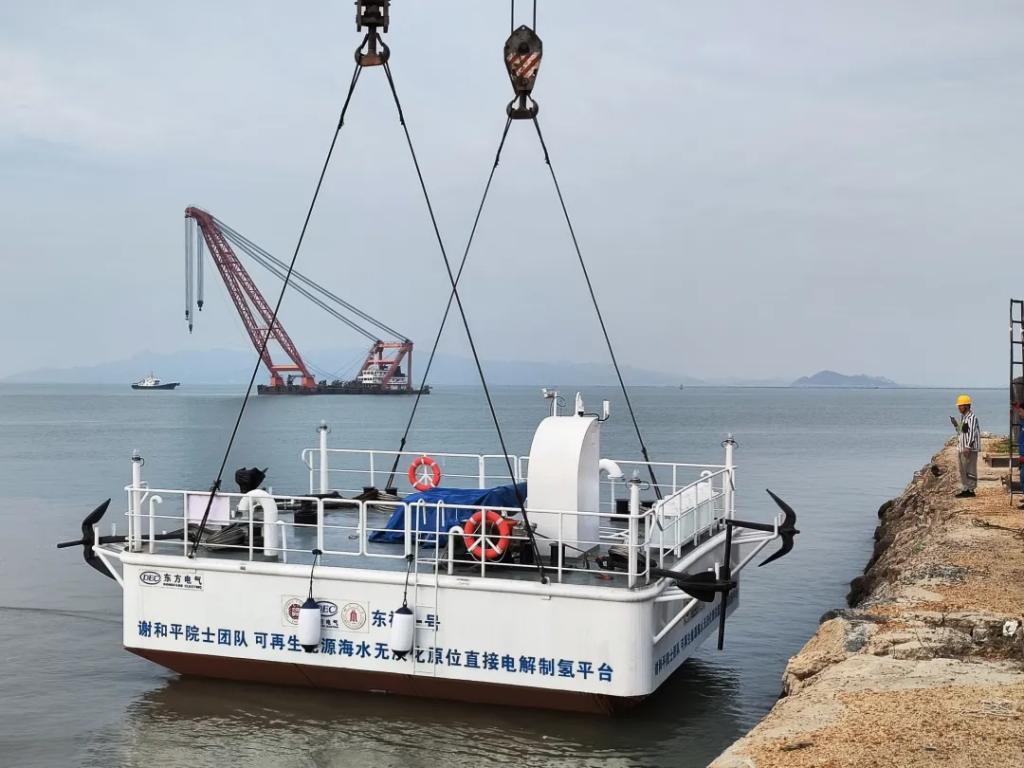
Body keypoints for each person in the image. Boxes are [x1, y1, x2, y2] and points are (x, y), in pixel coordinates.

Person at [955, 394, 980, 498]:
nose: (959, 407)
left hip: (969, 448)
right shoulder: (963, 417)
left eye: (960, 406)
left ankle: (971, 489)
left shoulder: (972, 417)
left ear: (966, 405)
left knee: (970, 469)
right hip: (962, 447)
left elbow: (972, 433)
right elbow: (962, 431)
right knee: (963, 469)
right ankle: (965, 488)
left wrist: (968, 446)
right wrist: (956, 426)